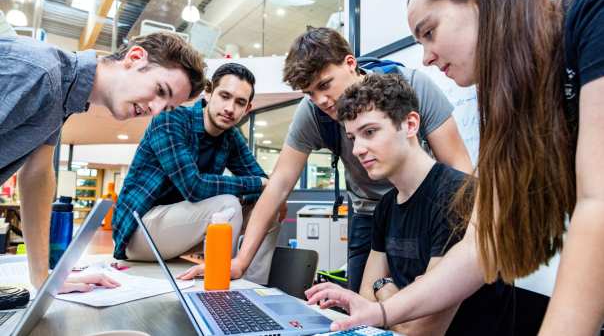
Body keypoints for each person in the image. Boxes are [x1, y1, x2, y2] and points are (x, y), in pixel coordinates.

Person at [305, 0, 604, 334]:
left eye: (429, 32)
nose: (426, 57)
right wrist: (380, 313)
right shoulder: (513, 102)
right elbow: (480, 245)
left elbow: (598, 203)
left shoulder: (591, 15)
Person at [180, 27, 473, 291]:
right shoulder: (313, 114)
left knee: (433, 298)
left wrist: (472, 240)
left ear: (350, 63)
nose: (320, 100)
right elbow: (280, 184)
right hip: (370, 213)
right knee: (362, 304)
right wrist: (241, 261)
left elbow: (459, 169)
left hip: (427, 209)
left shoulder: (413, 86)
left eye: (324, 85)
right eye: (309, 93)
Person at [0, 32, 205, 293]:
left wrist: (43, 278)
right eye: (159, 90)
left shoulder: (60, 97)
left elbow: (38, 175)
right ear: (135, 57)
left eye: (165, 107)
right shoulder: (39, 72)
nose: (155, 110)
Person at [341, 73, 513, 336]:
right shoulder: (386, 205)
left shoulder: (458, 195)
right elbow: (366, 302)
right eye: (353, 138)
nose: (357, 150)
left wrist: (383, 287)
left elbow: (421, 329)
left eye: (370, 132)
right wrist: (384, 294)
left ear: (410, 124)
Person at [112, 63, 280, 285]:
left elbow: (265, 188)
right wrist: (257, 185)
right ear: (208, 93)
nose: (230, 108)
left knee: (271, 205)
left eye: (240, 102)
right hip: (138, 231)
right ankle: (222, 280)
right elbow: (194, 186)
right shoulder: (171, 119)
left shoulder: (231, 137)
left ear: (247, 109)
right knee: (228, 205)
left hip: (180, 230)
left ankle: (254, 286)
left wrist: (264, 194)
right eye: (224, 96)